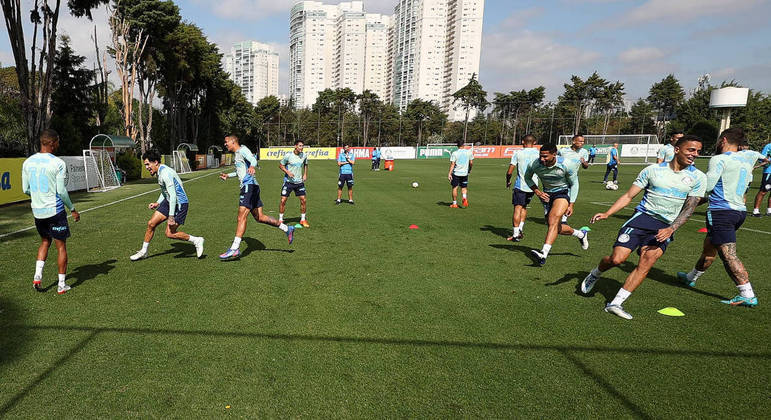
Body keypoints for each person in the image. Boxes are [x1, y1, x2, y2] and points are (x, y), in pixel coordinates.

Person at [580, 135, 706, 320]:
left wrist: (671, 229)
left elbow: (689, 209)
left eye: (698, 151)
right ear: (677, 149)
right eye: (691, 150)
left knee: (646, 262)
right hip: (642, 219)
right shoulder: (653, 170)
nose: (694, 154)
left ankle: (615, 303)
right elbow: (629, 196)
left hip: (665, 227)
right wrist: (608, 213)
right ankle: (596, 273)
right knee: (617, 259)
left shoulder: (698, 177)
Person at [677, 128, 768, 306]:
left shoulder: (719, 159)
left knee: (728, 255)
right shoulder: (748, 156)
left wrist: (687, 189)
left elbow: (708, 186)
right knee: (710, 247)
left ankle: (746, 293)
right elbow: (762, 157)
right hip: (739, 212)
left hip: (721, 212)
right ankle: (690, 277)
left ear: (723, 140)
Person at [22, 129, 80, 294]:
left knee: (45, 242)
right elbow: (61, 191)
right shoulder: (58, 163)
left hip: (38, 212)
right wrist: (73, 209)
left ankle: (37, 277)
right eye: (58, 141)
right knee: (60, 246)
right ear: (53, 143)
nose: (59, 144)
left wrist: (39, 196)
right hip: (55, 211)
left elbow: (25, 189)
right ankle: (62, 285)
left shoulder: (27, 162)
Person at [219, 135, 294, 260]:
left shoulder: (243, 150)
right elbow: (240, 172)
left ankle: (234, 248)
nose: (225, 144)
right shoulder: (237, 154)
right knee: (260, 217)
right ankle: (287, 228)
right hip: (252, 187)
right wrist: (228, 175)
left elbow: (252, 159)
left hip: (249, 187)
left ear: (233, 141)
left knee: (241, 216)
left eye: (226, 142)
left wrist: (253, 166)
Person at [129, 149, 205, 261]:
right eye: (145, 165)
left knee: (170, 233)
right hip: (169, 202)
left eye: (147, 164)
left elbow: (173, 195)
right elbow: (165, 191)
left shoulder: (165, 173)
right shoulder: (160, 171)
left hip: (180, 204)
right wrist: (158, 202)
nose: (146, 167)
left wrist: (171, 216)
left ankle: (196, 240)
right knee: (151, 224)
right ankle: (144, 251)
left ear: (155, 162)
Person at [524, 143, 589, 266]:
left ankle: (543, 253)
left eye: (545, 156)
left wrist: (571, 204)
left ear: (554, 154)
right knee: (555, 227)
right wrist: (537, 192)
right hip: (547, 195)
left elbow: (575, 184)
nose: (542, 159)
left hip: (563, 193)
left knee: (553, 219)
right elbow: (527, 178)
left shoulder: (566, 164)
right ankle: (580, 234)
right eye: (540, 156)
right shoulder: (535, 164)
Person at [506, 135, 539, 241]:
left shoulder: (518, 153)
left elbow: (510, 171)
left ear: (522, 142)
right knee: (524, 207)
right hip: (533, 186)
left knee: (517, 208)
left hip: (521, 185)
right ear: (534, 142)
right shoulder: (538, 153)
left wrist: (508, 180)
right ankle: (520, 229)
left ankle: (515, 235)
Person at [278, 140, 310, 227]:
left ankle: (303, 220)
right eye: (300, 146)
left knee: (303, 200)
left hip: (299, 182)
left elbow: (306, 164)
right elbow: (281, 165)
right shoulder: (288, 156)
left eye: (302, 146)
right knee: (283, 200)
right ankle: (280, 220)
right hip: (288, 182)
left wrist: (305, 174)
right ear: (295, 146)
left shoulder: (304, 155)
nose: (302, 147)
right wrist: (287, 172)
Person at [448, 139, 474, 208]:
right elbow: (471, 163)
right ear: (464, 145)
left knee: (455, 188)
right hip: (465, 173)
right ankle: (464, 197)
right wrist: (469, 169)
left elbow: (452, 164)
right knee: (464, 188)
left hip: (456, 173)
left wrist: (449, 173)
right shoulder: (469, 152)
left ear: (457, 145)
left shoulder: (455, 153)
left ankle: (454, 203)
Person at [751, 140, 771, 216]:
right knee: (763, 191)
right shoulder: (768, 146)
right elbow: (761, 158)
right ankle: (756, 210)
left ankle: (769, 210)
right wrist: (767, 162)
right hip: (769, 172)